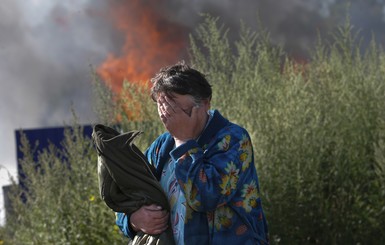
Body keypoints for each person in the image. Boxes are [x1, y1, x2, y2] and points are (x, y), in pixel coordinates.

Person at [116, 61, 269, 245]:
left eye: (175, 108)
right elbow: (129, 191)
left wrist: (183, 142)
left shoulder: (233, 139)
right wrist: (133, 220)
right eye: (162, 107)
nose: (167, 116)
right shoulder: (162, 146)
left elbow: (206, 197)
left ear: (204, 104)